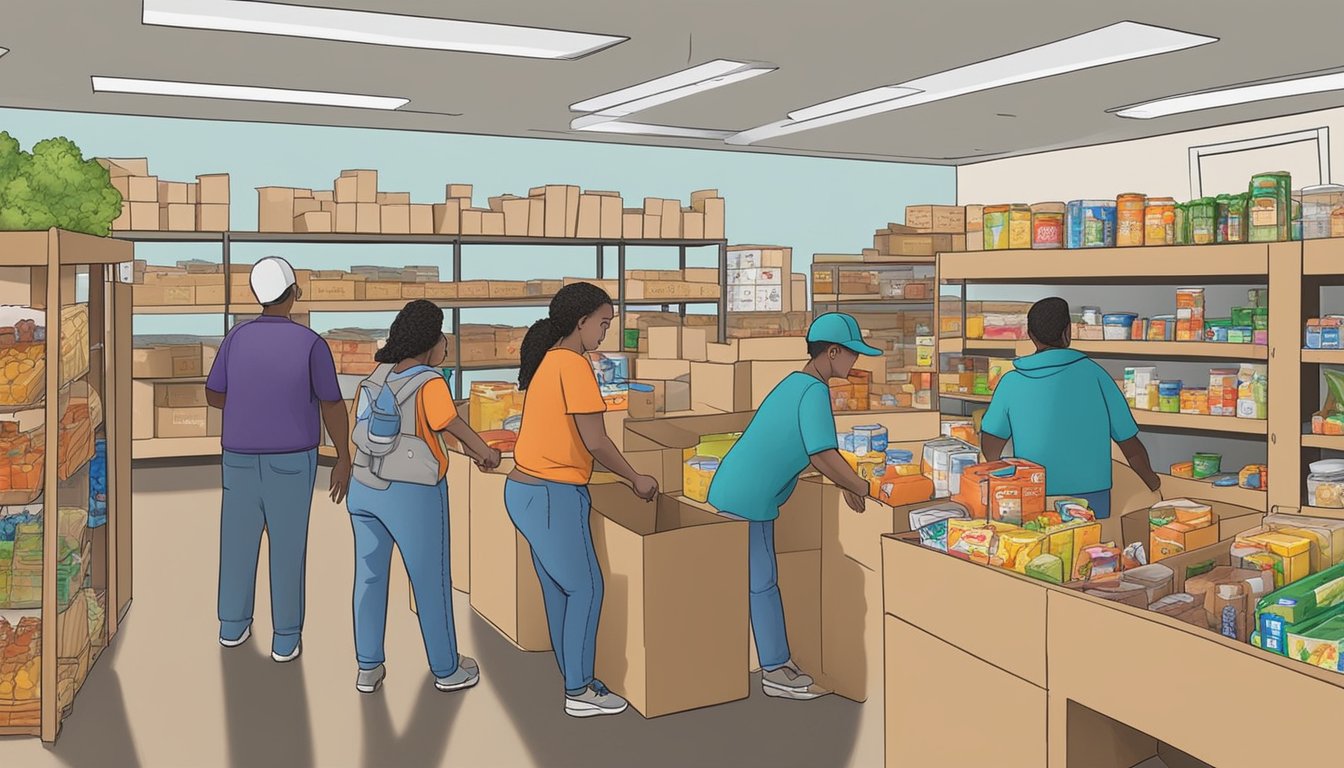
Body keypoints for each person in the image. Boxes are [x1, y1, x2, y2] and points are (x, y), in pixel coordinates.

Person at [505, 282, 659, 719]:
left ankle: (572, 674)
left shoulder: (548, 362)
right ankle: (579, 689)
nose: (605, 334)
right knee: (587, 589)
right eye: (603, 324)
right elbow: (596, 441)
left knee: (560, 591)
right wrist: (635, 479)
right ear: (581, 321)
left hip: (524, 491)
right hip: (553, 494)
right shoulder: (573, 365)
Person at [708, 312, 877, 701]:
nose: (855, 362)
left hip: (739, 492)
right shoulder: (813, 391)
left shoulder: (794, 384)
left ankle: (773, 665)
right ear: (832, 353)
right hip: (748, 500)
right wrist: (861, 485)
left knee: (757, 582)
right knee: (762, 584)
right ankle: (776, 669)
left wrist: (845, 479)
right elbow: (822, 454)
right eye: (852, 354)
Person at [346, 300, 501, 695]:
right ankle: (447, 669)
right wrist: (485, 453)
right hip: (412, 494)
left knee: (369, 578)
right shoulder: (429, 382)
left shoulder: (377, 375)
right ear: (431, 341)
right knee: (430, 581)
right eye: (442, 336)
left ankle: (368, 668)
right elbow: (451, 426)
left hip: (365, 489)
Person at [205, 256, 351, 662]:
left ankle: (232, 625)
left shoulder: (236, 338)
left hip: (237, 456)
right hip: (292, 458)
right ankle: (285, 637)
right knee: (288, 545)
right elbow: (332, 405)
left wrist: (248, 402)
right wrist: (343, 457)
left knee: (236, 541)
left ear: (257, 296)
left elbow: (214, 393)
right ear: (293, 295)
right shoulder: (311, 344)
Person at [980, 297, 1161, 519]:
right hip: (1091, 498)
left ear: (1030, 334)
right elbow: (1129, 444)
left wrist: (1008, 476)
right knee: (1092, 550)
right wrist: (1152, 481)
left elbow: (990, 443)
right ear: (1068, 332)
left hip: (1033, 493)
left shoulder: (1011, 382)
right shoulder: (1095, 375)